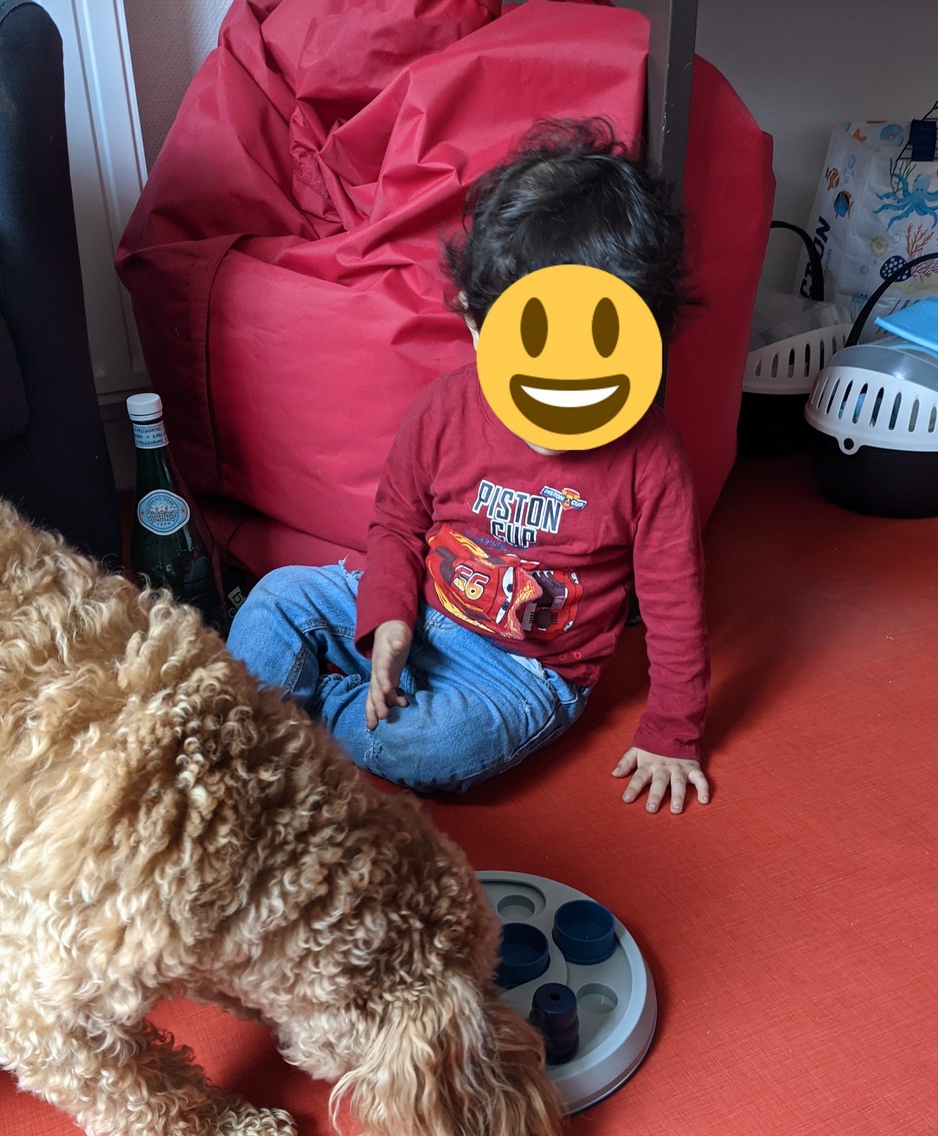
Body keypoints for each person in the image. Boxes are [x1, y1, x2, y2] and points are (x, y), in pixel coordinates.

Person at [228, 117, 711, 814]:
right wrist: (389, 619)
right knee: (278, 598)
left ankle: (316, 711)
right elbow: (396, 523)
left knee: (438, 745)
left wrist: (672, 731)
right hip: (423, 607)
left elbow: (673, 601)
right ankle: (263, 716)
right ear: (475, 323)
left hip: (524, 670)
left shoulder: (651, 455)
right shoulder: (444, 407)